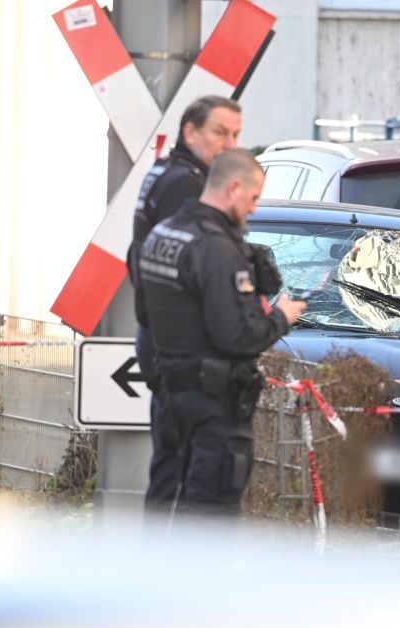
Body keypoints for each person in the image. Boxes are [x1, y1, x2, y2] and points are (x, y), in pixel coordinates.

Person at [139, 149, 306, 517]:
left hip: (170, 395)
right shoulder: (214, 248)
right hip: (212, 405)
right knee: (209, 514)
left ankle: (151, 574)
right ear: (233, 187)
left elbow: (148, 312)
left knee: (165, 498)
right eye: (253, 197)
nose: (254, 209)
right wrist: (281, 317)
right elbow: (235, 336)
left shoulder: (163, 233)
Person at [129, 96, 241, 512]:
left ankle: (160, 565)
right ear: (189, 132)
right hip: (176, 347)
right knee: (185, 473)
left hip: (162, 341)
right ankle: (168, 568)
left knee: (170, 467)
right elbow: (181, 273)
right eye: (219, 132)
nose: (229, 144)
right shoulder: (185, 185)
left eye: (236, 135)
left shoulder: (168, 171)